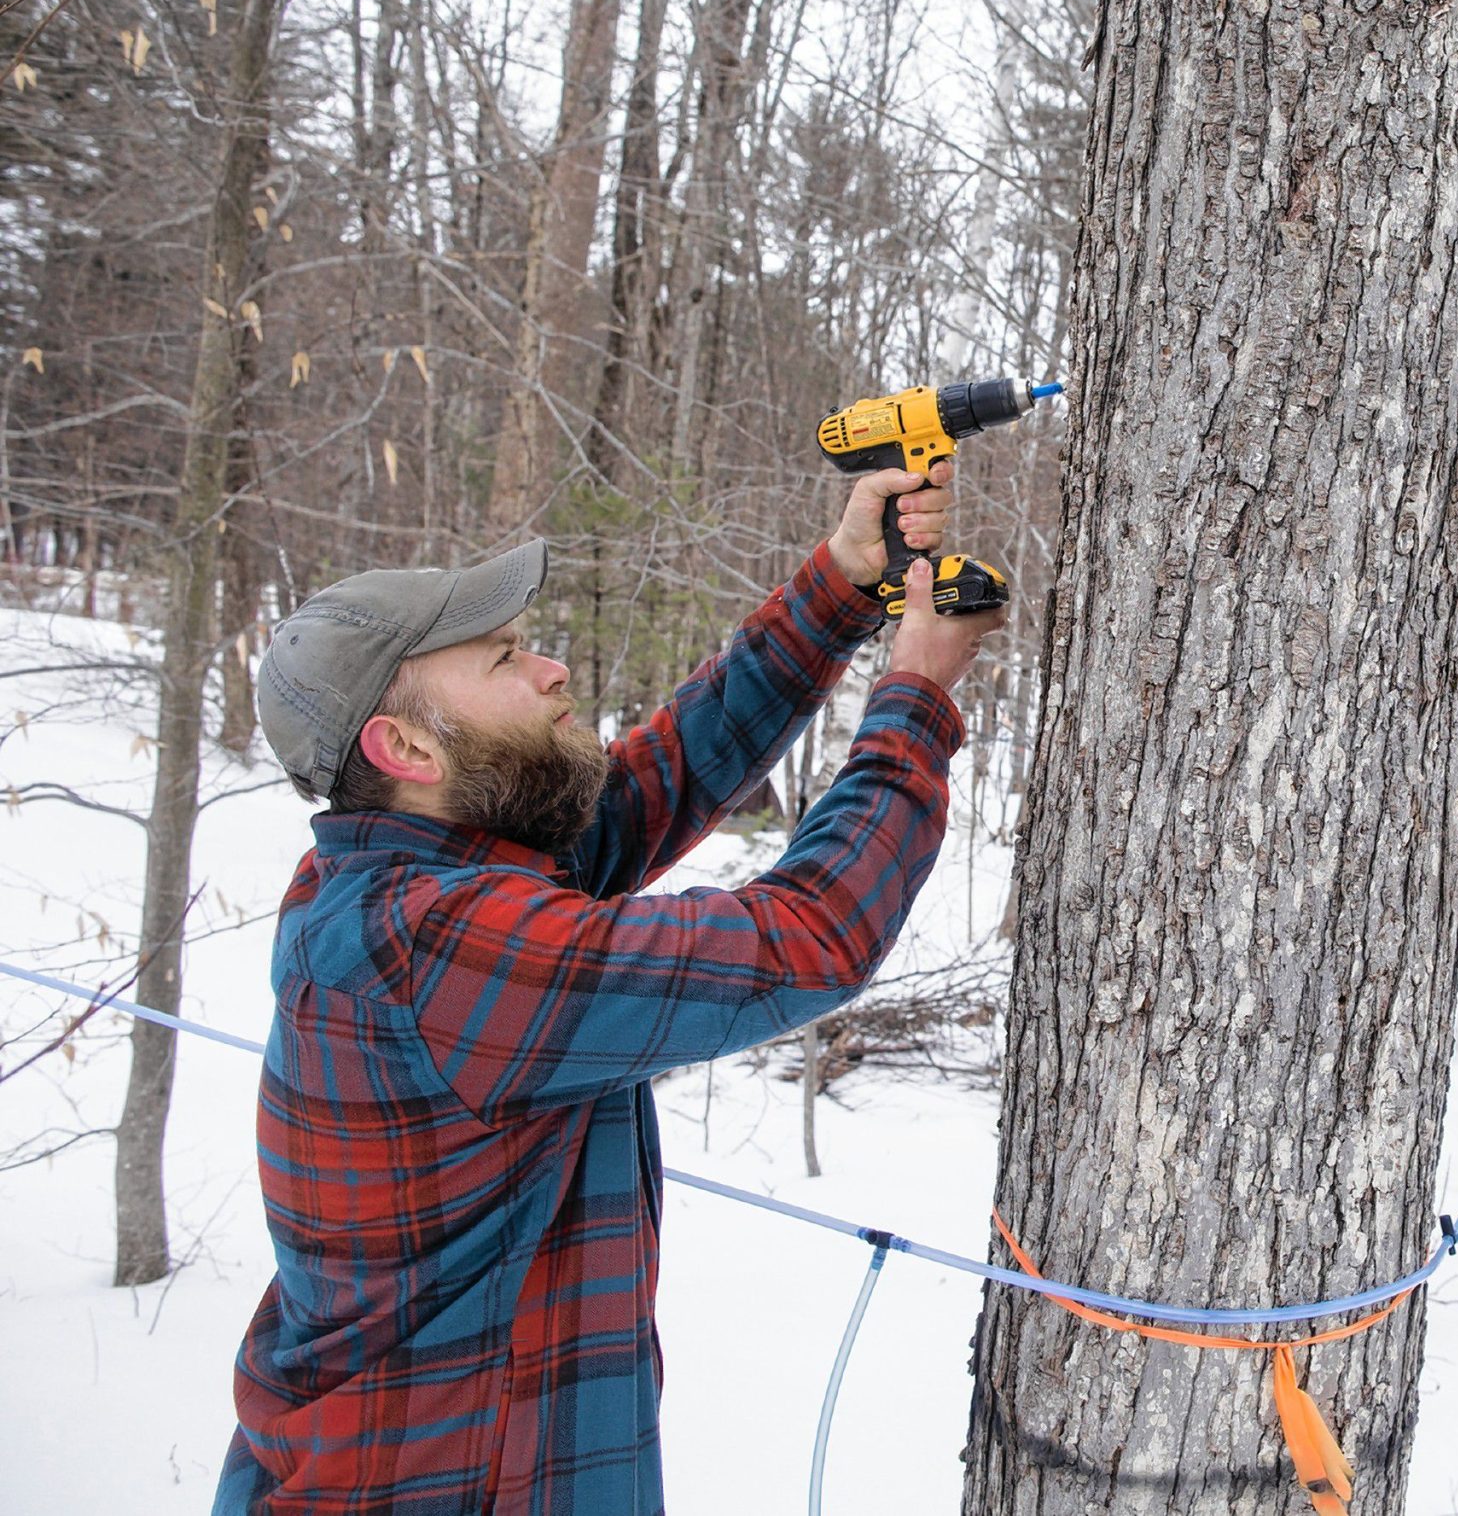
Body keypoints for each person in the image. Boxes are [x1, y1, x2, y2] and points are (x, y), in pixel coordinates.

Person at [212, 462, 1001, 1514]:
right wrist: (915, 699)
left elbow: (645, 790)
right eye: (502, 659)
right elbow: (802, 940)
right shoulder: (432, 941)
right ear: (401, 745)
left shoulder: (410, 866)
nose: (551, 669)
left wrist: (841, 584)